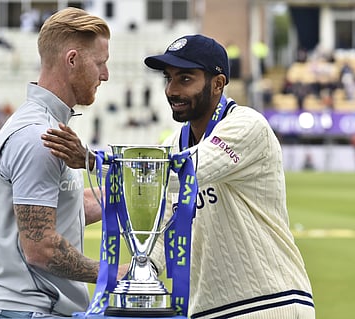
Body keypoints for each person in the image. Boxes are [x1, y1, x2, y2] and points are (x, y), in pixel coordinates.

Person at [41, 35, 315, 318]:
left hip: (270, 302)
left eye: (185, 79)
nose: (172, 90)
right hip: (205, 308)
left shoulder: (246, 126)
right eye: (168, 78)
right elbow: (166, 220)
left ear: (218, 84)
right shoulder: (174, 143)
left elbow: (185, 174)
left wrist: (93, 161)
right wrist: (141, 272)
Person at [0, 7, 126, 318]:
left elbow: (67, 208)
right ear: (72, 60)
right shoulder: (39, 136)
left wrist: (142, 202)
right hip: (32, 309)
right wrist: (117, 274)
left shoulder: (48, 128)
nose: (105, 75)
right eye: (100, 63)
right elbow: (41, 248)